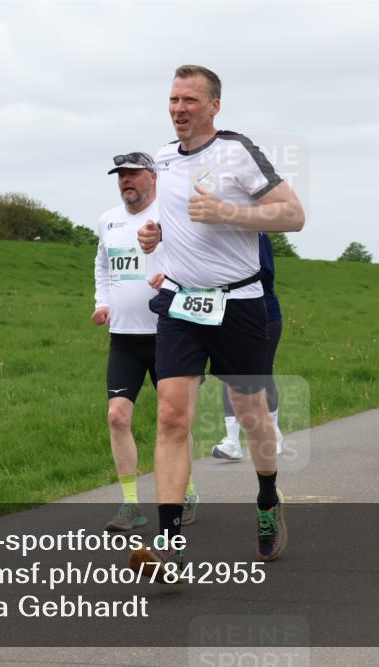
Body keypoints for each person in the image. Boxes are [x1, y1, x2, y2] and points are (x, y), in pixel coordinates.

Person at [131, 65, 304, 575]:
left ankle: (268, 500)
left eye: (189, 100)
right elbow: (178, 219)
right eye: (173, 99)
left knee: (251, 416)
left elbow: (293, 215)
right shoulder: (163, 157)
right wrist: (154, 234)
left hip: (240, 304)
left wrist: (232, 214)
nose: (178, 108)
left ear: (214, 106)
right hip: (183, 306)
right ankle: (169, 543)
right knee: (171, 417)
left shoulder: (237, 151)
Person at [92, 152, 199, 531]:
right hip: (123, 337)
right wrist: (101, 303)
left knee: (174, 420)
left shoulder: (172, 216)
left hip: (170, 333)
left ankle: (185, 493)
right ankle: (131, 504)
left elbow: (195, 260)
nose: (126, 181)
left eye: (133, 174)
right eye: (120, 175)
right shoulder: (109, 220)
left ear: (152, 177)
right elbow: (103, 265)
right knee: (117, 417)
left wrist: (168, 277)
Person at [212, 233, 284, 460]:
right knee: (230, 373)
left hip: (264, 315)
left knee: (261, 373)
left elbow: (264, 275)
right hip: (229, 313)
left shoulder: (256, 235)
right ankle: (232, 441)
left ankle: (274, 432)